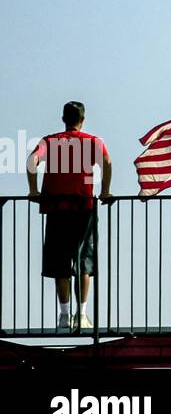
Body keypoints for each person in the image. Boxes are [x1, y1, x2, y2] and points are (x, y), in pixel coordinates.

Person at [26, 101, 112, 331]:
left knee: (59, 263)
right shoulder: (93, 141)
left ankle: (64, 316)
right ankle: (82, 314)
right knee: (85, 261)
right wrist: (104, 191)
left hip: (56, 208)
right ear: (82, 120)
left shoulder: (50, 141)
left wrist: (33, 190)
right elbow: (107, 162)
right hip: (84, 206)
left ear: (63, 118)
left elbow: (32, 161)